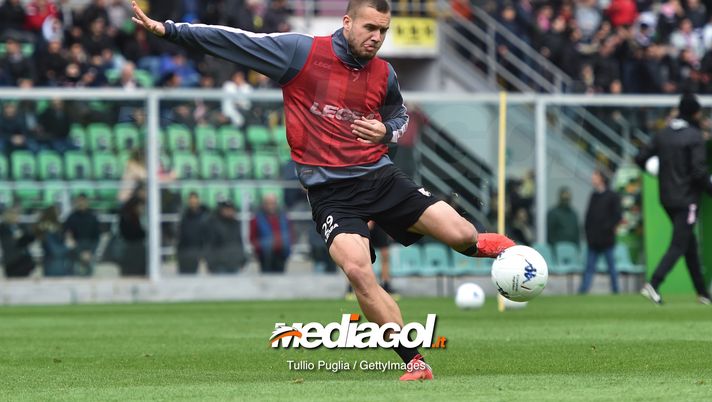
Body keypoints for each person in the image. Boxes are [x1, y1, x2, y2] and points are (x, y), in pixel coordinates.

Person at [132, 0, 515, 381]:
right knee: (358, 270)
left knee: (461, 234)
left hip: (380, 178)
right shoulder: (301, 53)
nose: (377, 37)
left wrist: (386, 131)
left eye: (383, 30)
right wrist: (170, 29)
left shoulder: (384, 73)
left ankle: (512, 256)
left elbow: (399, 116)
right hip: (331, 193)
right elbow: (237, 40)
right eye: (370, 28)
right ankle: (415, 361)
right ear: (347, 22)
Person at [635, 93, 712, 305]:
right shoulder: (695, 136)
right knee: (679, 244)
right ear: (695, 113)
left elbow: (640, 157)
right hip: (687, 200)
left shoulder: (663, 135)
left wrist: (654, 171)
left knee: (689, 245)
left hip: (667, 198)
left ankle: (702, 293)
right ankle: (654, 283)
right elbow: (698, 172)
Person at [579, 170, 622, 295]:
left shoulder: (612, 196)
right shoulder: (593, 196)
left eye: (595, 176)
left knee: (611, 268)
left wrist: (607, 228)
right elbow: (588, 217)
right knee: (589, 268)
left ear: (602, 178)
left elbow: (617, 216)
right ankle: (583, 291)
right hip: (593, 240)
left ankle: (615, 291)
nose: (593, 179)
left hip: (607, 240)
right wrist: (588, 233)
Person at [249, 194, 292, 273]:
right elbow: (252, 237)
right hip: (265, 255)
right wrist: (260, 248)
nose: (271, 206)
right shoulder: (256, 219)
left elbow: (290, 233)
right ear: (263, 204)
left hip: (281, 253)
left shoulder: (284, 218)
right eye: (268, 203)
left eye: (273, 203)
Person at [63, 193, 101, 276]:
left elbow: (97, 237)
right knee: (74, 278)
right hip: (75, 252)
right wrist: (80, 252)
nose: (81, 203)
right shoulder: (70, 218)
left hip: (90, 252)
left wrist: (90, 252)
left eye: (83, 201)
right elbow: (68, 238)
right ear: (75, 203)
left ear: (87, 202)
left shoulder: (93, 217)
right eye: (79, 201)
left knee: (90, 279)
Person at [205, 201, 246, 273]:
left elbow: (239, 242)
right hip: (219, 265)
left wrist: (243, 259)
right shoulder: (214, 224)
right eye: (226, 209)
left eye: (231, 209)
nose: (229, 211)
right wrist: (210, 263)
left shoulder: (236, 224)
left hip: (234, 264)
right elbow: (210, 244)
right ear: (221, 210)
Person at [34, 206, 73, 277]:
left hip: (57, 265)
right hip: (54, 267)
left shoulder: (53, 229)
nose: (59, 214)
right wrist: (68, 246)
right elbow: (55, 251)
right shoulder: (48, 231)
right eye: (57, 212)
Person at [176, 191, 208, 274]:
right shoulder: (184, 215)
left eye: (194, 199)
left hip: (200, 251)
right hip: (186, 252)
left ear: (198, 200)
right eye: (191, 200)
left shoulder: (205, 215)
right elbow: (181, 234)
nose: (193, 202)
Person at [0, 207, 35, 277]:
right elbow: (10, 243)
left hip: (22, 260)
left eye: (17, 214)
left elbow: (30, 237)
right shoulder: (3, 228)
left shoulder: (20, 226)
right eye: (13, 214)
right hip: (12, 261)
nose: (16, 217)